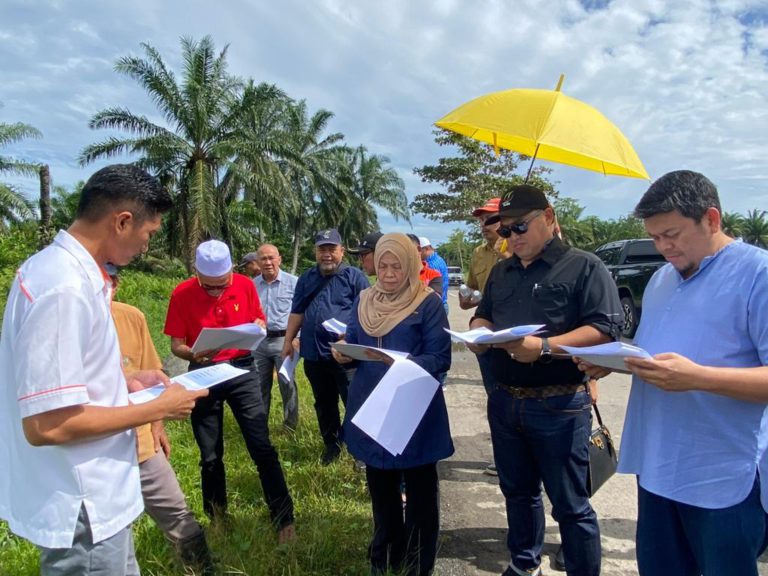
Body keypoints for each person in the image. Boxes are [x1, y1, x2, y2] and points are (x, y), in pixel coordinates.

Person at [0, 164, 207, 575]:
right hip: (84, 504)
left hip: (99, 496)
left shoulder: (66, 276)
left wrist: (126, 382)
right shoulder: (63, 288)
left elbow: (67, 383)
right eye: (148, 233)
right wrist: (158, 408)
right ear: (122, 222)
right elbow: (48, 424)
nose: (146, 247)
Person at [577, 170, 768, 576]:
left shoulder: (758, 275)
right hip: (659, 466)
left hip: (721, 475)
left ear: (711, 219)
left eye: (673, 234)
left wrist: (698, 377)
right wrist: (613, 364)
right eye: (655, 236)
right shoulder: (664, 278)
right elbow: (656, 355)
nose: (663, 247)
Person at [469, 184, 622, 576]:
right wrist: (478, 333)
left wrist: (546, 347)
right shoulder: (502, 272)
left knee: (570, 503)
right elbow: (483, 314)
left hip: (559, 404)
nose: (512, 237)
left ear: (549, 217)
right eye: (505, 230)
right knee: (517, 493)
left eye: (520, 227)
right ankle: (524, 563)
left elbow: (604, 329)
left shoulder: (584, 266)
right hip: (505, 401)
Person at [334, 233, 453, 576]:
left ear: (412, 265)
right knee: (382, 493)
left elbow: (440, 358)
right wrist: (343, 352)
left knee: (420, 498)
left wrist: (398, 363)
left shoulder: (426, 303)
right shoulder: (364, 300)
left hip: (413, 410)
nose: (387, 273)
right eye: (382, 265)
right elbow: (354, 343)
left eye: (396, 266)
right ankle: (385, 559)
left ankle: (417, 566)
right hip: (374, 407)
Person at [164, 239, 295, 544]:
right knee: (210, 454)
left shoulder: (246, 286)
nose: (216, 291)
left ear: (231, 272)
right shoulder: (181, 293)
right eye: (209, 287)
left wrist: (259, 325)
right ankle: (218, 517)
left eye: (221, 285)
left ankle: (284, 518)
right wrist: (192, 354)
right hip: (204, 373)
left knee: (261, 447)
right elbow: (176, 345)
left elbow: (257, 318)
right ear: (197, 274)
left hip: (242, 369)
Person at [107, 264, 214, 574]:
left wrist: (158, 425)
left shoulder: (131, 317)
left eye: (112, 279)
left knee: (176, 511)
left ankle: (201, 568)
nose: (107, 286)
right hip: (97, 448)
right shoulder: (68, 322)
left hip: (141, 441)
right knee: (112, 526)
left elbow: (155, 379)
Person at [282, 229, 370, 465]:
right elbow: (297, 311)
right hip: (313, 354)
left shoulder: (355, 277)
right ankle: (331, 445)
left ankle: (359, 449)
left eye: (332, 249)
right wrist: (288, 341)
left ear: (341, 251)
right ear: (316, 252)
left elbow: (367, 315)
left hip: (346, 356)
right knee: (323, 403)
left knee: (354, 402)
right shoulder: (307, 278)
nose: (327, 254)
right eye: (323, 249)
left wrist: (350, 337)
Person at [252, 243, 299, 431]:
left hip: (284, 341)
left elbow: (302, 312)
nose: (268, 262)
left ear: (279, 259)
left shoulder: (294, 283)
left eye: (271, 258)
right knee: (258, 385)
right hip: (259, 342)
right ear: (257, 262)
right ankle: (259, 426)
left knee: (287, 383)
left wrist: (297, 338)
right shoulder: (252, 285)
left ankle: (290, 426)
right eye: (263, 258)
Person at [418, 236, 449, 313]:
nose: (418, 253)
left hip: (435, 307)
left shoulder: (432, 265)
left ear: (427, 249)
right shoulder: (439, 259)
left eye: (419, 250)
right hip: (441, 304)